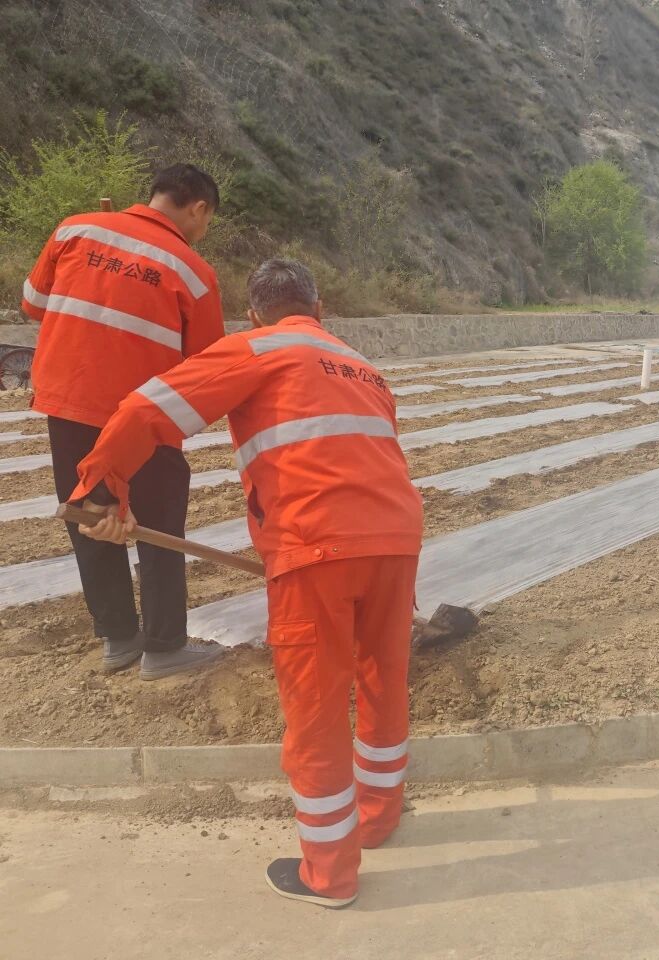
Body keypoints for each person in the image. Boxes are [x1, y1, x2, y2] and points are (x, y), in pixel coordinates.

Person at [70, 259, 425, 909]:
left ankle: (329, 875)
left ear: (254, 315)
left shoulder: (258, 347)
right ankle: (378, 818)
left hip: (315, 544)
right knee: (384, 678)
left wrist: (100, 489)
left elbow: (150, 408)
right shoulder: (363, 368)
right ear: (321, 308)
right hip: (396, 539)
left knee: (316, 709)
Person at [20, 164, 225, 679]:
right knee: (158, 523)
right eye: (206, 221)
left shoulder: (74, 230)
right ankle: (165, 647)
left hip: (69, 403)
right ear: (198, 207)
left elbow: (33, 304)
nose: (202, 231)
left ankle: (118, 638)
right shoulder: (194, 272)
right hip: (144, 417)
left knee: (87, 515)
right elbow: (204, 362)